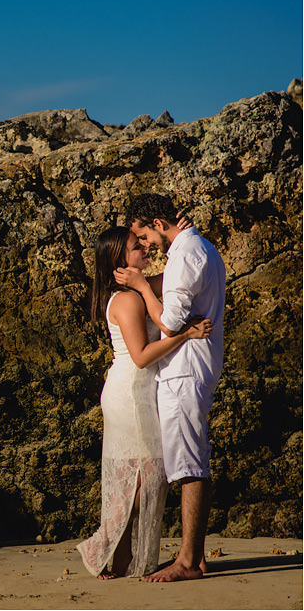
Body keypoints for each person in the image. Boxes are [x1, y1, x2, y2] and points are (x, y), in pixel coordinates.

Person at [77, 224, 212, 580]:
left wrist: (180, 236)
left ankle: (118, 556)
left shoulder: (138, 289)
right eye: (137, 247)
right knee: (143, 479)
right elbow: (140, 356)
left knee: (145, 479)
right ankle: (104, 547)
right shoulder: (124, 299)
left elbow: (178, 273)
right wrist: (185, 334)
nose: (144, 249)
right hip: (130, 394)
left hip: (139, 392)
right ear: (120, 260)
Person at [114, 193, 226, 582]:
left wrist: (144, 287)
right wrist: (144, 281)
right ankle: (194, 554)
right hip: (193, 367)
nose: (145, 244)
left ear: (159, 224)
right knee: (191, 458)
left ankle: (188, 561)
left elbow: (170, 323)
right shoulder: (199, 247)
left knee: (189, 463)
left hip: (184, 370)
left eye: (144, 235)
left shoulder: (185, 254)